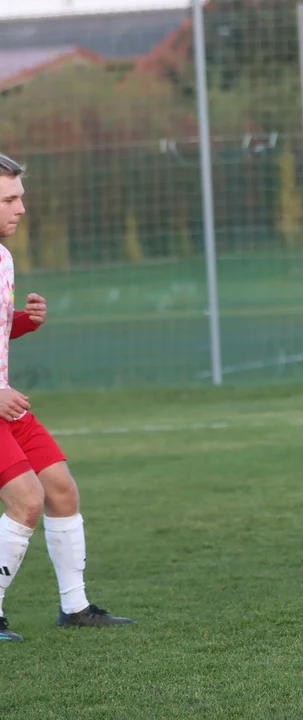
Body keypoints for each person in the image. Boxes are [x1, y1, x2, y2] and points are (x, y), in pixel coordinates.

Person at [0, 153, 134, 641]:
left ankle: (74, 608)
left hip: (6, 405)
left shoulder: (3, 258)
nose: (21, 208)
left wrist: (21, 324)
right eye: (10, 199)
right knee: (26, 500)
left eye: (20, 196)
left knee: (60, 489)